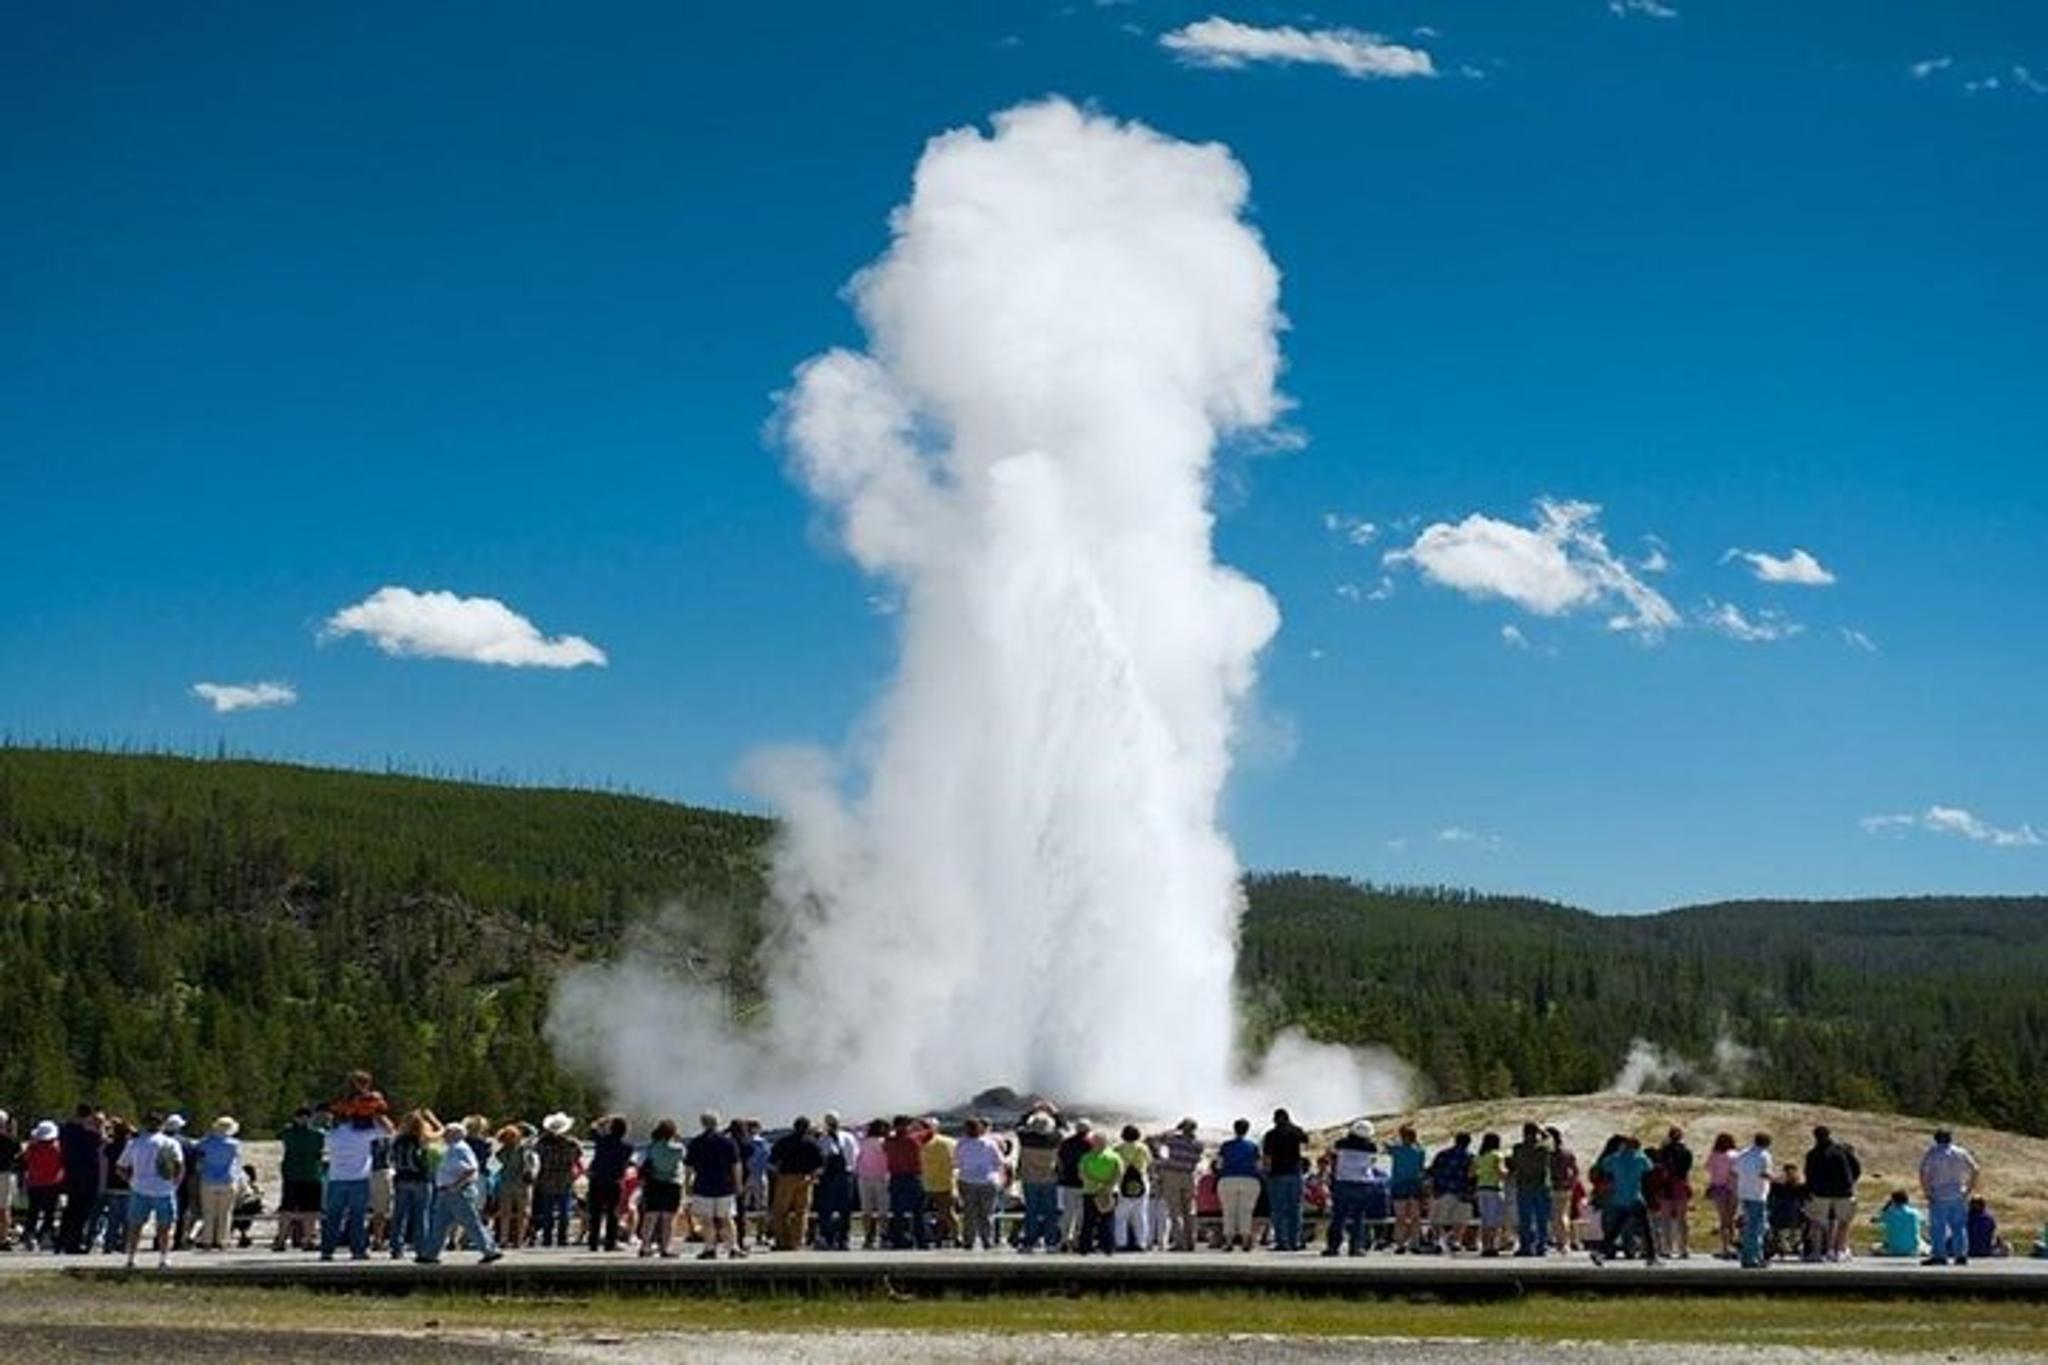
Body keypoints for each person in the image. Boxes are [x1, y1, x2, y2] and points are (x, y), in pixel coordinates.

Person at [417, 1121, 502, 1265]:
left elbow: (471, 1170)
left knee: (471, 1223)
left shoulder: (460, 1148)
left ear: (456, 1134)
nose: (444, 1134)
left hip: (458, 1193)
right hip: (446, 1192)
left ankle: (490, 1251)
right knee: (439, 1224)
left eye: (448, 1131)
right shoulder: (448, 1148)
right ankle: (430, 1254)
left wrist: (456, 1186)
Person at [118, 1113, 184, 1271]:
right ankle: (163, 1259)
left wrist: (131, 1181)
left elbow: (120, 1167)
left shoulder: (135, 1143)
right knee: (165, 1227)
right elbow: (179, 1166)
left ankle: (131, 1259)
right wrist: (175, 1184)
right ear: (162, 1125)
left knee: (135, 1226)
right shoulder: (170, 1143)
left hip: (140, 1188)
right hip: (164, 1188)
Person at [319, 1105, 382, 1262]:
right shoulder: (364, 1134)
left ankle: (327, 1250)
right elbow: (389, 1130)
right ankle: (358, 1250)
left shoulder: (332, 1135)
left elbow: (322, 1128)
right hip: (359, 1179)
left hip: (336, 1179)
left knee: (333, 1217)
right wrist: (375, 1113)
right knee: (358, 1218)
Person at [685, 1111, 745, 1261]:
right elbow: (736, 1165)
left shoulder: (696, 1142)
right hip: (725, 1185)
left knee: (707, 1220)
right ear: (718, 1123)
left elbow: (689, 1168)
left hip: (703, 1185)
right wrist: (738, 1184)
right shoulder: (728, 1142)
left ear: (702, 1124)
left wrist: (687, 1184)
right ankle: (733, 1247)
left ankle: (710, 1248)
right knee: (727, 1219)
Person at [1590, 1136, 1656, 1267]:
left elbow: (1605, 1166)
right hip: (1635, 1198)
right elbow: (1650, 1167)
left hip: (1620, 1198)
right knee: (1646, 1228)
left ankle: (1601, 1252)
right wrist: (1640, 1153)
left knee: (1615, 1228)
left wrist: (1619, 1154)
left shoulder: (1615, 1159)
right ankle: (1651, 1257)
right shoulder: (1640, 1158)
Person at [1918, 1128, 1980, 1266]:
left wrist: (1927, 1191)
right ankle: (1961, 1255)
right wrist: (1968, 1189)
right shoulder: (1960, 1152)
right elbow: (1975, 1169)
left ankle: (1940, 1255)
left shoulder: (1933, 1153)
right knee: (1959, 1226)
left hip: (1939, 1194)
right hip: (1958, 1192)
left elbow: (1924, 1172)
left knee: (1938, 1227)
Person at [1802, 1125, 1861, 1263]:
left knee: (1816, 1222)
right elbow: (1856, 1168)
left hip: (1820, 1192)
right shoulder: (1842, 1151)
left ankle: (1816, 1252)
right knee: (1844, 1222)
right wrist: (1850, 1183)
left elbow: (1808, 1174)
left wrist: (1809, 1190)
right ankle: (1839, 1251)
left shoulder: (1813, 1154)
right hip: (1843, 1191)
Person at [387, 1110, 438, 1260]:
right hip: (421, 1180)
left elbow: (392, 1158)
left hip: (402, 1179)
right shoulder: (424, 1139)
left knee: (399, 1215)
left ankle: (396, 1247)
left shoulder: (398, 1140)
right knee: (421, 1215)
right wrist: (432, 1119)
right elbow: (442, 1133)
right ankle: (421, 1248)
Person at [273, 1107, 326, 1251]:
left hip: (294, 1175)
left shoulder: (288, 1133)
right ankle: (307, 1239)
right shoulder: (318, 1134)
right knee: (309, 1210)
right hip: (310, 1175)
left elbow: (281, 1134)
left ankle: (282, 1239)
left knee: (289, 1209)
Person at [768, 1116, 824, 1252]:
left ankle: (782, 1241)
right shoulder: (812, 1143)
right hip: (805, 1178)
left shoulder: (783, 1142)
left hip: (786, 1177)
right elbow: (820, 1163)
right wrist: (813, 1176)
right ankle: (797, 1242)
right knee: (802, 1212)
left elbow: (772, 1161)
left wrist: (777, 1175)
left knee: (780, 1211)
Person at [1323, 1120, 1378, 1258]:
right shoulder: (1371, 1146)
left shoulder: (1340, 1144)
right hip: (1362, 1183)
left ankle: (1333, 1247)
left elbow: (1333, 1160)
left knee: (1338, 1217)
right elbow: (1372, 1162)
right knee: (1358, 1218)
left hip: (1343, 1182)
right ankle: (1356, 1247)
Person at [56, 1104, 106, 1255]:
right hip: (88, 1176)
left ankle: (61, 1241)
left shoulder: (65, 1130)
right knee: (82, 1212)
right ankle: (74, 1243)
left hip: (70, 1174)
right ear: (89, 1116)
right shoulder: (91, 1135)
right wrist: (100, 1126)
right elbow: (102, 1141)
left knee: (70, 1210)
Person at [954, 1117, 1007, 1251]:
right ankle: (986, 1240)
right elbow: (999, 1161)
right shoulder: (990, 1143)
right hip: (987, 1180)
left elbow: (957, 1161)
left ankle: (969, 1241)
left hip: (967, 1179)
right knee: (986, 1213)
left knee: (969, 1213)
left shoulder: (961, 1143)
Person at [1150, 1118, 1203, 1253]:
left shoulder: (1173, 1140)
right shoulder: (1198, 1144)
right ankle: (1190, 1241)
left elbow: (1154, 1139)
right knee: (1188, 1211)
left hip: (1172, 1175)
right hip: (1189, 1176)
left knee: (1175, 1211)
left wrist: (1175, 1128)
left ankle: (1180, 1242)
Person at [1014, 1111, 1063, 1253]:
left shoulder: (1025, 1138)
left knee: (1031, 1211)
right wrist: (1055, 1112)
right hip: (1049, 1179)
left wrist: (1030, 1111)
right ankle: (1051, 1242)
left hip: (1029, 1178)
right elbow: (1063, 1127)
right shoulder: (1055, 1138)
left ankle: (1030, 1242)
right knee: (1050, 1212)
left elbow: (1018, 1125)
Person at [1261, 1108, 1309, 1252]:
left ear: (1275, 1119)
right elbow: (1305, 1145)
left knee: (1278, 1210)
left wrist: (1266, 1172)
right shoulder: (1297, 1131)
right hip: (1295, 1173)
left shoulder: (1270, 1135)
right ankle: (1295, 1241)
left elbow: (1267, 1157)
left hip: (1277, 1174)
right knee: (1295, 1208)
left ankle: (1282, 1241)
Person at [193, 1116, 242, 1251]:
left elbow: (199, 1161)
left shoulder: (205, 1143)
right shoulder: (234, 1144)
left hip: (208, 1180)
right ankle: (222, 1240)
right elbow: (237, 1162)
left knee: (208, 1213)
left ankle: (207, 1240)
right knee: (225, 1213)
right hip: (227, 1179)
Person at [532, 1112, 581, 1249]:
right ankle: (562, 1238)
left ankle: (547, 1238)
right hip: (565, 1179)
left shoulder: (541, 1143)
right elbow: (577, 1157)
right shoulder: (572, 1143)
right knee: (564, 1211)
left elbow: (535, 1158)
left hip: (546, 1179)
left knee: (547, 1211)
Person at [638, 1118, 685, 1258]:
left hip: (654, 1183)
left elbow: (642, 1163)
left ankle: (645, 1246)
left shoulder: (651, 1147)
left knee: (650, 1216)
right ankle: (665, 1247)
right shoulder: (679, 1149)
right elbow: (682, 1160)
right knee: (668, 1218)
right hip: (672, 1183)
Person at [883, 1115, 931, 1250]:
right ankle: (921, 1240)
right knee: (918, 1212)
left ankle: (899, 1239)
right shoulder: (914, 1138)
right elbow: (930, 1132)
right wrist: (921, 1123)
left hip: (896, 1177)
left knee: (898, 1212)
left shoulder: (888, 1141)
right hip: (913, 1177)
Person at [812, 1112, 858, 1251]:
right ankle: (828, 1237)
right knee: (826, 1208)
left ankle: (844, 1238)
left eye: (834, 1121)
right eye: (829, 1121)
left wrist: (850, 1169)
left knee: (846, 1208)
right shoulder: (822, 1139)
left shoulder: (848, 1137)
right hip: (829, 1176)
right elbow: (820, 1157)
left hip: (845, 1174)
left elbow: (855, 1153)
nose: (832, 1124)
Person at [586, 1115, 632, 1252]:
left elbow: (592, 1129)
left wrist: (603, 1120)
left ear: (611, 1128)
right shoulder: (627, 1147)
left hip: (597, 1179)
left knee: (595, 1213)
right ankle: (610, 1243)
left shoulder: (601, 1141)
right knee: (613, 1213)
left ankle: (593, 1243)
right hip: (614, 1181)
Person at [1215, 1118, 1261, 1252]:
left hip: (1227, 1179)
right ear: (1247, 1130)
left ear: (1234, 1129)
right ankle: (1246, 1241)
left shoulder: (1226, 1145)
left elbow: (1219, 1164)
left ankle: (1229, 1242)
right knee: (1246, 1211)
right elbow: (1258, 1166)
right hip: (1249, 1179)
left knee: (1228, 1211)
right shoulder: (1253, 1146)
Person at [1075, 1131, 1123, 1256]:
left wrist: (1097, 1182)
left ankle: (1085, 1247)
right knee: (1107, 1220)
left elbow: (1082, 1174)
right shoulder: (1114, 1157)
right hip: (1109, 1192)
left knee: (1089, 1221)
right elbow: (1119, 1173)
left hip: (1091, 1191)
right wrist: (1107, 1185)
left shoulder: (1086, 1157)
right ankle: (1108, 1247)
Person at [1427, 1132, 1474, 1254]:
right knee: (1460, 1220)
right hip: (1461, 1193)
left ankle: (1438, 1241)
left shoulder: (1442, 1154)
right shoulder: (1470, 1157)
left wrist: (1433, 1190)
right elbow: (1472, 1176)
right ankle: (1456, 1241)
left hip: (1442, 1191)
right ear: (1468, 1143)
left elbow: (1432, 1172)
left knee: (1438, 1220)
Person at [1508, 1123, 1551, 1257]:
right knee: (1541, 1218)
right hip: (1540, 1185)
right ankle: (1541, 1246)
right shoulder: (1544, 1148)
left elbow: (1513, 1165)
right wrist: (1543, 1132)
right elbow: (1551, 1141)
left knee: (1525, 1218)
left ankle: (1526, 1246)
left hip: (1523, 1185)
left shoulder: (1518, 1148)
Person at [1733, 1132, 1774, 1269]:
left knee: (1748, 1227)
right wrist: (1776, 1179)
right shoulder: (1764, 1155)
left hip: (1744, 1193)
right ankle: (1754, 1258)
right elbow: (1763, 1173)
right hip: (1758, 1194)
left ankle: (1747, 1256)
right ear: (1767, 1143)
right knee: (1756, 1228)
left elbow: (1734, 1171)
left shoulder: (1743, 1153)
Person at [493, 1123, 538, 1248]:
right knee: (523, 1213)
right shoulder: (524, 1150)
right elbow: (534, 1134)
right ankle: (519, 1240)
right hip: (521, 1185)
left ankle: (503, 1239)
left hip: (505, 1184)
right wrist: (525, 1125)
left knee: (505, 1213)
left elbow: (493, 1168)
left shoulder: (500, 1152)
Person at [1110, 1124, 1153, 1252]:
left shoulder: (1117, 1148)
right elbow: (1149, 1163)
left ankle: (1121, 1242)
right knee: (1140, 1215)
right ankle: (1141, 1243)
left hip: (1123, 1182)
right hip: (1141, 1181)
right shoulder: (1143, 1148)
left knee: (1121, 1216)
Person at [1387, 1125, 1427, 1253]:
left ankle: (1400, 1244)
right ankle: (1415, 1243)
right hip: (1415, 1184)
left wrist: (1395, 1137)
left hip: (1399, 1185)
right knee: (1415, 1217)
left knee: (1400, 1217)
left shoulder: (1396, 1149)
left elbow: (1386, 1145)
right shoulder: (1420, 1151)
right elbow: (1421, 1168)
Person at [97, 1118, 134, 1254]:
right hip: (127, 1186)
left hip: (111, 1186)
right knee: (127, 1220)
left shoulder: (110, 1147)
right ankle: (126, 1246)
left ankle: (109, 1246)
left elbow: (105, 1166)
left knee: (113, 1220)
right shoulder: (131, 1147)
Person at [1054, 1119, 1093, 1250]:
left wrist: (1060, 1174)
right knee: (1082, 1214)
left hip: (1067, 1182)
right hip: (1085, 1183)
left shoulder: (1065, 1143)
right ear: (1088, 1130)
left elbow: (1058, 1161)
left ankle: (1065, 1239)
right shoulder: (1090, 1144)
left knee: (1068, 1213)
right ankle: (1077, 1239)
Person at [919, 1118, 959, 1247]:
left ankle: (955, 1236)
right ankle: (934, 1237)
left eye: (926, 1126)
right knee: (935, 1213)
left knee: (947, 1212)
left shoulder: (948, 1142)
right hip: (925, 1183)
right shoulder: (916, 1142)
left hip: (943, 1182)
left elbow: (956, 1162)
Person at [1655, 1127, 1694, 1259]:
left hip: (1665, 1187)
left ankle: (1667, 1248)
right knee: (1682, 1219)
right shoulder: (1686, 1152)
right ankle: (1683, 1248)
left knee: (1665, 1219)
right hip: (1680, 1186)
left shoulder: (1662, 1152)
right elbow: (1687, 1170)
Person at [854, 1118, 892, 1250]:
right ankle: (883, 1236)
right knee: (883, 1210)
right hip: (882, 1177)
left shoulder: (863, 1141)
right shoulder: (886, 1142)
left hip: (864, 1177)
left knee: (866, 1210)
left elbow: (857, 1128)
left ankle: (868, 1237)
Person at [1703, 1132, 1739, 1260]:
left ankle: (1725, 1248)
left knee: (1723, 1220)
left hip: (1719, 1188)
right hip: (1733, 1188)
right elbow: (1737, 1172)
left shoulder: (1714, 1155)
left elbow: (1708, 1168)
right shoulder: (1735, 1155)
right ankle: (1733, 1246)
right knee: (1732, 1219)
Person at [1472, 1132, 1508, 1257]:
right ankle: (1492, 1246)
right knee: (1494, 1220)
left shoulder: (1479, 1157)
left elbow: (1471, 1173)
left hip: (1481, 1189)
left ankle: (1485, 1245)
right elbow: (1501, 1171)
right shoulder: (1497, 1155)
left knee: (1485, 1220)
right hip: (1494, 1189)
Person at [1873, 1189, 1925, 1258]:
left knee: (1874, 1246)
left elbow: (1873, 1220)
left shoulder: (1889, 1213)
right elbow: (1923, 1222)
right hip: (1913, 1249)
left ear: (1893, 1201)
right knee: (1924, 1244)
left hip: (1893, 1249)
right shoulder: (1915, 1213)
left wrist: (1885, 1208)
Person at [231, 1164, 264, 1248]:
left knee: (239, 1212)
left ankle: (242, 1235)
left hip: (243, 1210)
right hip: (245, 1211)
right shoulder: (254, 1188)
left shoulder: (252, 1188)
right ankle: (243, 1235)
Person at [0, 1111, 19, 1251]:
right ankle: (3, 1237)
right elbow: (17, 1152)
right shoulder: (9, 1140)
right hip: (4, 1174)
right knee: (4, 1208)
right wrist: (12, 1130)